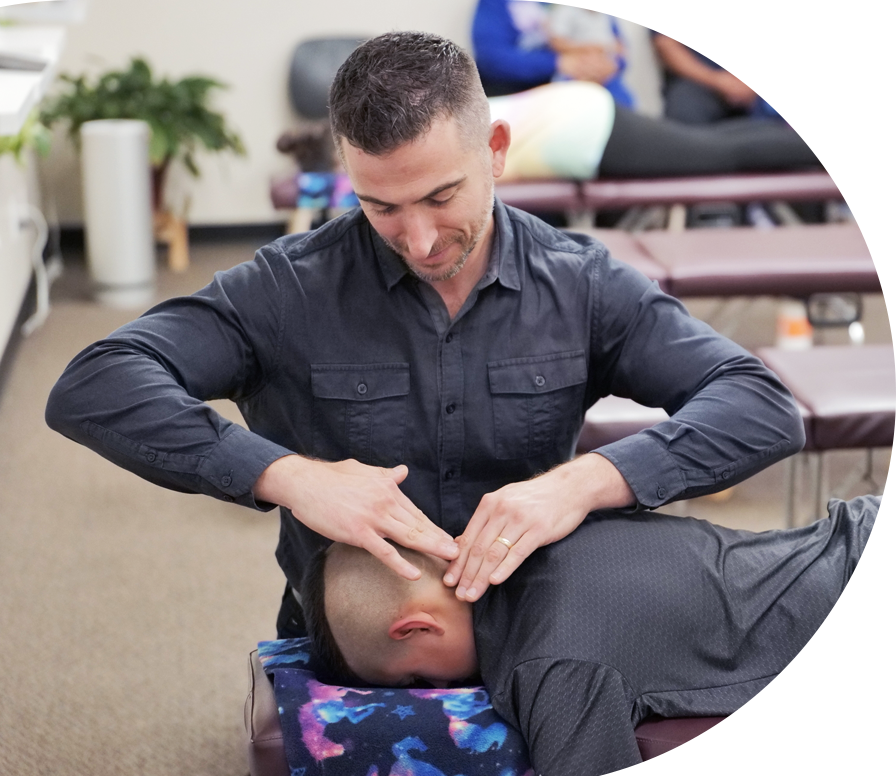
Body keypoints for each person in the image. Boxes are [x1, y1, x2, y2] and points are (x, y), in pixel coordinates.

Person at [45, 32, 805, 639]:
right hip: (354, 640)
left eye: (442, 196)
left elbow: (761, 405)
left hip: (535, 624)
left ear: (497, 150)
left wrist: (585, 483)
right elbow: (96, 381)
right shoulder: (291, 287)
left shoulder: (578, 281)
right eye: (381, 206)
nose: (418, 239)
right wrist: (286, 475)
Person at [308, 494, 896, 776]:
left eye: (417, 680)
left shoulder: (548, 664)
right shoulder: (550, 524)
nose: (440, 690)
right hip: (871, 528)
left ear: (416, 627)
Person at [490, 80, 895, 190]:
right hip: (572, 115)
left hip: (579, 131)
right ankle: (819, 139)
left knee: (714, 154)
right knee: (704, 142)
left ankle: (844, 155)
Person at [649, 0, 794, 125]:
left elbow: (781, 44)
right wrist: (716, 81)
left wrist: (756, 80)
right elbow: (666, 44)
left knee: (800, 112)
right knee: (683, 111)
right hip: (697, 82)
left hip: (757, 81)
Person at [472, 0, 635, 106]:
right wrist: (558, 63)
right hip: (532, 100)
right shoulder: (496, 4)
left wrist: (609, 64)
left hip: (604, 94)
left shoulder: (593, 4)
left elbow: (620, 49)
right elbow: (491, 60)